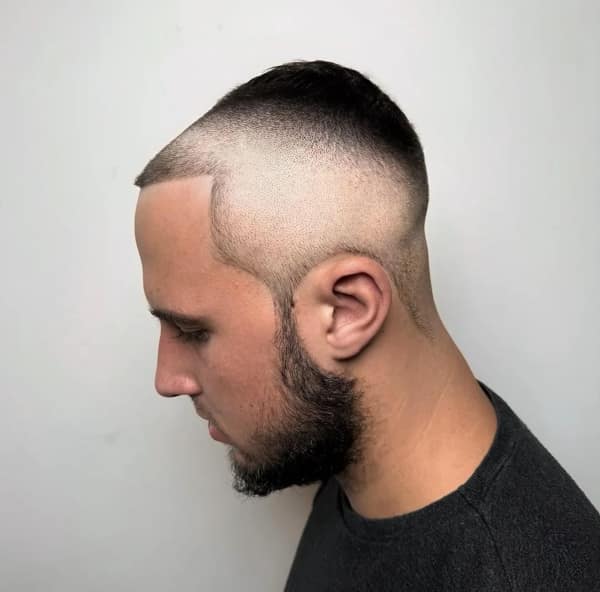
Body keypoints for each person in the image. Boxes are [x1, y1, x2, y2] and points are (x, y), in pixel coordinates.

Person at [133, 60, 600, 591]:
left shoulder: (523, 574)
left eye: (193, 332)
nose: (167, 379)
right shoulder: (345, 448)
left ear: (347, 310)